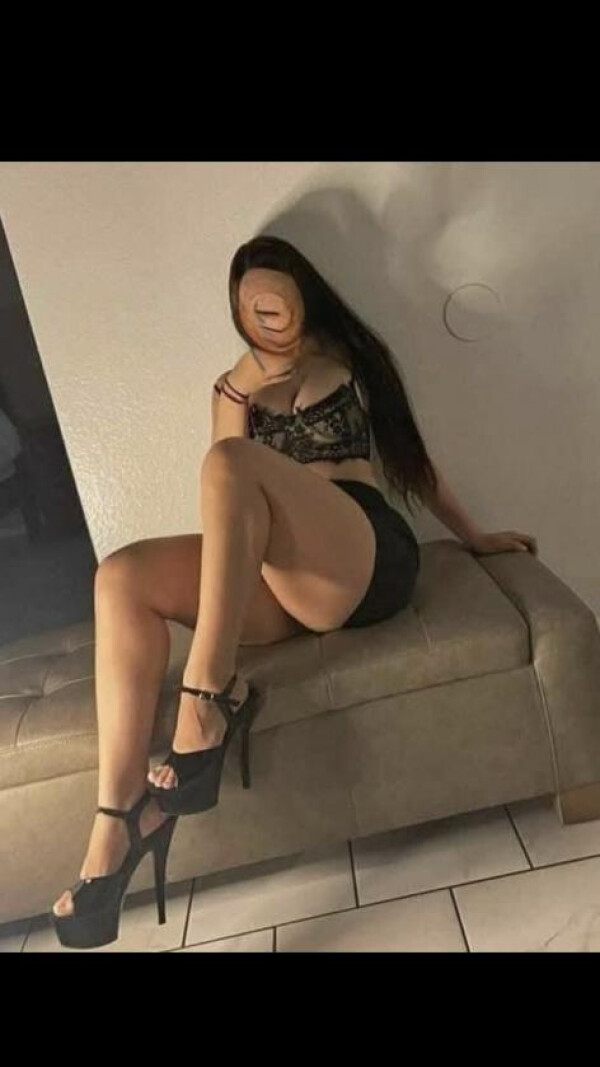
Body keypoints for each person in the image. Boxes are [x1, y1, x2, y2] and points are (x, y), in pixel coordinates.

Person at [51, 233, 538, 948]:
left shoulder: (352, 358)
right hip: (285, 583)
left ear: (304, 292)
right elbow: (225, 496)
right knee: (120, 575)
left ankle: (208, 697)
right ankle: (118, 824)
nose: (267, 310)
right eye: (249, 302)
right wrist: (243, 381)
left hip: (365, 555)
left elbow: (413, 459)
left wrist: (476, 534)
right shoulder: (234, 386)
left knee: (232, 460)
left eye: (276, 294)